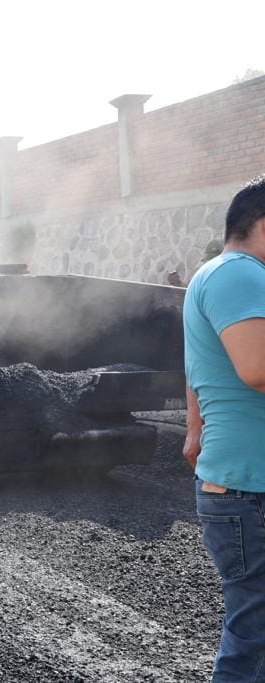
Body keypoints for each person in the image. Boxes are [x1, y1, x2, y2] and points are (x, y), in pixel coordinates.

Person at [183, 175, 265, 681]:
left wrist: (195, 433)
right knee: (254, 643)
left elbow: (194, 368)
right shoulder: (241, 273)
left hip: (239, 484)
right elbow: (257, 369)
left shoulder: (212, 275)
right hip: (252, 489)